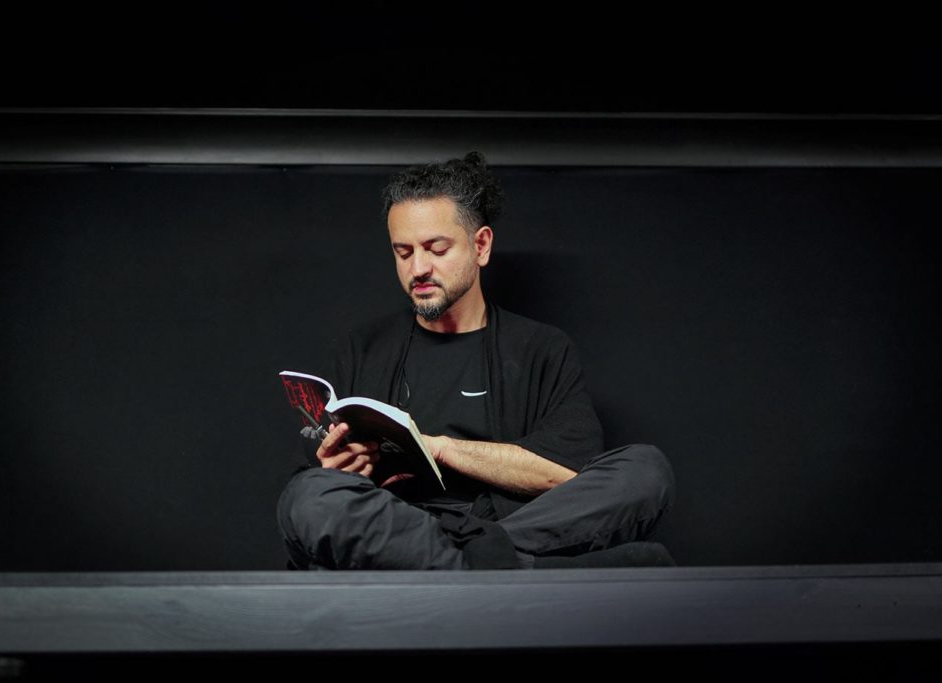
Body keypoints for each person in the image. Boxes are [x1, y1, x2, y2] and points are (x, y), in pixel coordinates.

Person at [278, 152, 674, 569]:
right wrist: (337, 469)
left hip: (512, 524)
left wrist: (440, 448)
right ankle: (507, 566)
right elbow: (326, 489)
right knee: (307, 495)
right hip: (402, 527)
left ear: (481, 245)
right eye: (403, 252)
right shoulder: (362, 347)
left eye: (436, 249)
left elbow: (565, 474)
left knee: (646, 471)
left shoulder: (540, 348)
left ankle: (463, 559)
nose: (419, 268)